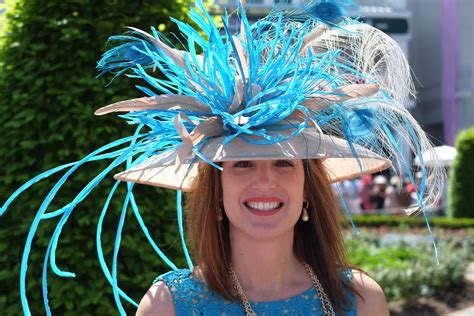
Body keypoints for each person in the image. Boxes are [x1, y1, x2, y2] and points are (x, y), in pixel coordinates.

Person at [1, 0, 445, 315]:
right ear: (216, 189)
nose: (265, 182)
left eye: (284, 162)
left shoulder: (362, 300)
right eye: (242, 164)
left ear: (307, 187)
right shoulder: (167, 307)